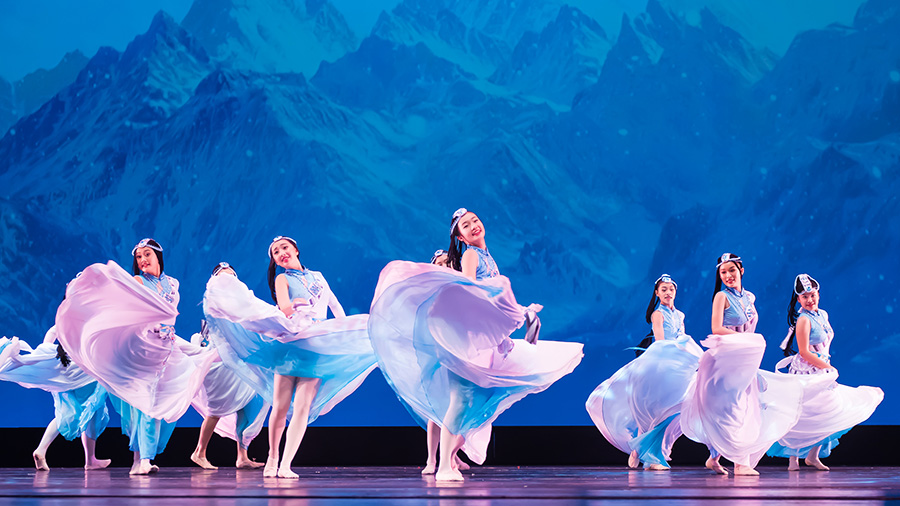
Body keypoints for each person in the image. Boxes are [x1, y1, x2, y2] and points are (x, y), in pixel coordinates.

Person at [369, 208, 583, 482]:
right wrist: (512, 308)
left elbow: (488, 297)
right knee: (460, 401)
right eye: (465, 226)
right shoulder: (471, 255)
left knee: (479, 404)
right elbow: (469, 291)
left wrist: (516, 316)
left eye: (475, 221)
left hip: (483, 342)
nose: (473, 226)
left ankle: (448, 459)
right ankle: (442, 464)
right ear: (460, 237)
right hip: (467, 340)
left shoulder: (486, 258)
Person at [202, 237, 377, 479]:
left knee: (303, 408)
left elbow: (336, 307)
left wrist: (343, 333)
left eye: (284, 248)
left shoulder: (318, 277)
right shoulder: (282, 278)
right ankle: (272, 458)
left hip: (316, 345)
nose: (281, 253)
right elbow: (283, 306)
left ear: (295, 249)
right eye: (275, 252)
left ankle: (286, 463)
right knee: (281, 406)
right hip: (292, 344)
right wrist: (296, 308)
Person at [55, 238, 215, 475]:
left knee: (170, 397)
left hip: (168, 348)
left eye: (146, 255)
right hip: (145, 349)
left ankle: (140, 459)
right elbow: (122, 309)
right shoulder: (138, 281)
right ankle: (143, 460)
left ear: (158, 256)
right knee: (148, 402)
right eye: (138, 257)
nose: (142, 261)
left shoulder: (173, 283)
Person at [679, 253, 811, 476]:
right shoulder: (722, 296)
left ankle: (715, 457)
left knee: (744, 408)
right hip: (727, 358)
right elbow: (716, 328)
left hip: (745, 359)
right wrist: (747, 341)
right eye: (723, 272)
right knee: (733, 408)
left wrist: (749, 345)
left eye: (732, 270)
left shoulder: (749, 297)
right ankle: (740, 463)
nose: (728, 275)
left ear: (741, 270)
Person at [586, 274, 702, 470]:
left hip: (676, 365)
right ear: (657, 293)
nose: (667, 293)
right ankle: (642, 452)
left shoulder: (680, 315)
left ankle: (654, 455)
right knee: (651, 409)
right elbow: (660, 340)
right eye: (663, 290)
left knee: (672, 410)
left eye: (671, 289)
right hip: (660, 363)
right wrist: (677, 350)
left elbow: (682, 336)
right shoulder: (658, 314)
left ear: (675, 292)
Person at [767, 274, 883, 470]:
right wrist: (825, 366)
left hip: (822, 370)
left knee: (827, 412)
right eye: (805, 297)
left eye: (812, 295)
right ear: (798, 300)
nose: (810, 300)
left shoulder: (823, 314)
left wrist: (826, 366)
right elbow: (803, 351)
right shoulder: (803, 319)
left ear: (818, 294)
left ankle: (812, 456)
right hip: (807, 371)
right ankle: (792, 459)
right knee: (802, 413)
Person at [188, 262, 269, 470]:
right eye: (224, 278)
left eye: (231, 277)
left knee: (246, 407)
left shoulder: (241, 307)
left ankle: (242, 456)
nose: (228, 281)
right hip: (221, 364)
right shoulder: (214, 307)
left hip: (240, 363)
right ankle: (199, 452)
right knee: (216, 409)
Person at [0, 326, 110, 471]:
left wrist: (47, 353)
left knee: (65, 413)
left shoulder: (68, 317)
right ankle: (90, 460)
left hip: (65, 369)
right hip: (84, 372)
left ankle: (42, 449)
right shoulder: (88, 317)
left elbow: (53, 332)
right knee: (94, 411)